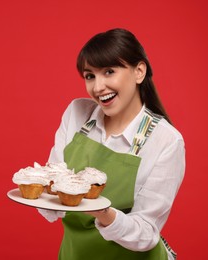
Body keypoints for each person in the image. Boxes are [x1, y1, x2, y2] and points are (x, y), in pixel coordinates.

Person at [37, 28, 185, 259]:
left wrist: (103, 213)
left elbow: (146, 233)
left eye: (109, 72)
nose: (98, 87)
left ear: (139, 72)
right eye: (90, 76)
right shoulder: (77, 114)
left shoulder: (165, 141)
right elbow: (53, 190)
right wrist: (38, 186)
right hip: (76, 254)